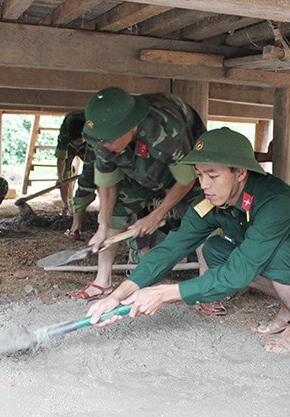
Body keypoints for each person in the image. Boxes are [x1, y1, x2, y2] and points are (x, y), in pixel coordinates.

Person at [87, 128, 290, 354]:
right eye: (199, 175)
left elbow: (241, 271)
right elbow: (171, 248)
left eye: (212, 175)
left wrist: (165, 293)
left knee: (277, 255)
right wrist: (117, 294)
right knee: (216, 249)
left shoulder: (275, 202)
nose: (204, 184)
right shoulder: (211, 202)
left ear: (240, 173)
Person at [69, 86, 206, 301]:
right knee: (113, 216)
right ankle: (102, 282)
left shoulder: (166, 131)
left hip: (182, 169)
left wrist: (157, 214)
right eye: (102, 141)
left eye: (110, 140)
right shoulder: (105, 138)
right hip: (135, 168)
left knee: (202, 219)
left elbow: (186, 179)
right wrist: (103, 225)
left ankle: (206, 288)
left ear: (131, 127)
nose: (105, 145)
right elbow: (107, 182)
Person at [55, 111, 97, 239]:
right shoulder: (65, 134)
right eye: (76, 142)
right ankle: (65, 207)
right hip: (71, 147)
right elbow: (61, 158)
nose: (78, 143)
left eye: (80, 141)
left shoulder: (93, 128)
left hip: (92, 147)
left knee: (95, 177)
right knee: (64, 176)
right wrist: (60, 177)